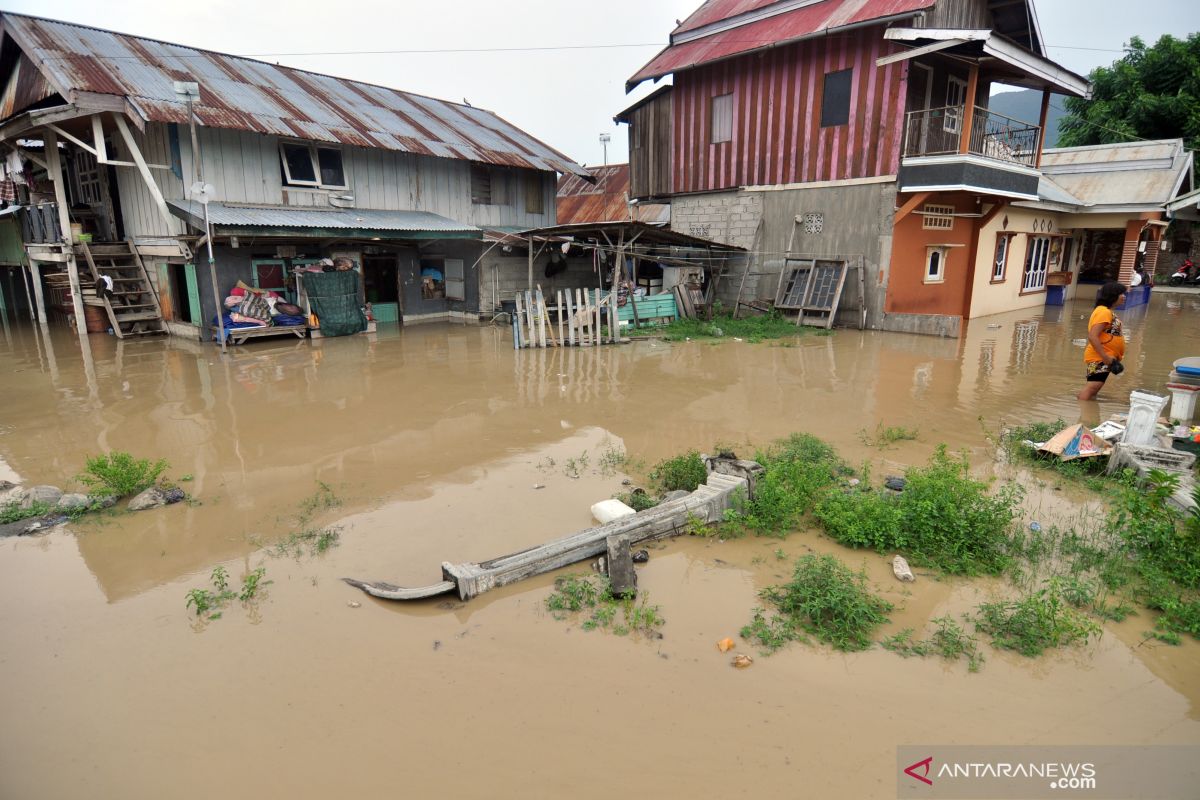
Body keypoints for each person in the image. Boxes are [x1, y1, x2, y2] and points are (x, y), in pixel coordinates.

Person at [1077, 281, 1126, 401]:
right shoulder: (1104, 312)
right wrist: (1105, 357)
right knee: (1093, 387)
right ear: (1112, 295)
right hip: (1100, 357)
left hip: (1105, 356)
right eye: (1121, 293)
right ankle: (1083, 410)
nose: (1124, 296)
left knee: (1095, 387)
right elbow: (1093, 336)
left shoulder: (1106, 311)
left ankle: (1088, 412)